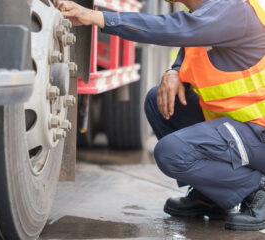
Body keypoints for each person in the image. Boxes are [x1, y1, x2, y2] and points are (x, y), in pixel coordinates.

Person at [55, 0, 265, 231]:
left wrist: (97, 17)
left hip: (258, 132)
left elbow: (176, 28)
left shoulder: (232, 8)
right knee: (159, 101)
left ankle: (255, 189)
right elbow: (190, 48)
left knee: (171, 153)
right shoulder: (204, 13)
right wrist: (173, 72)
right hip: (241, 127)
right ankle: (209, 197)